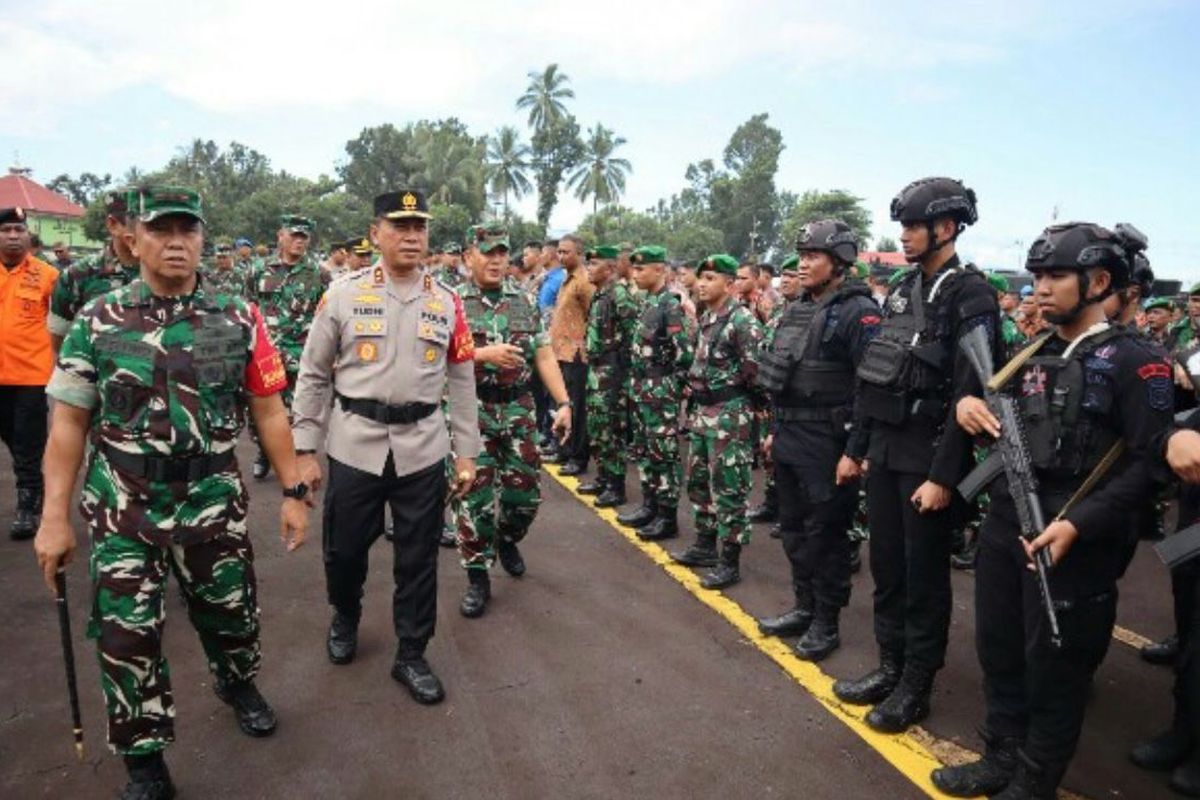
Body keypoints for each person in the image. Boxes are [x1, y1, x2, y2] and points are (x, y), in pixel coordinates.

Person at [33, 185, 309, 800]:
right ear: (135, 238)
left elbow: (268, 410)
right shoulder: (98, 320)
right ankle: (143, 756)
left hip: (212, 495)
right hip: (125, 502)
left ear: (203, 238)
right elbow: (69, 424)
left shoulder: (238, 316)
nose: (176, 242)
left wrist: (293, 489)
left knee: (231, 613)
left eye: (189, 230)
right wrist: (56, 517)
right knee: (125, 632)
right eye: (162, 230)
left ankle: (237, 681)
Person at [934, 222, 1171, 799]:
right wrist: (969, 405)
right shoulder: (1035, 349)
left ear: (1098, 281)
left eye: (1054, 276)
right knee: (1000, 651)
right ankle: (1000, 755)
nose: (1039, 288)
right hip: (1008, 521)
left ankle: (1035, 782)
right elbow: (1000, 411)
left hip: (1072, 535)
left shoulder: (1136, 361)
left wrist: (1079, 522)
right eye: (1036, 276)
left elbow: (1151, 465)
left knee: (1055, 672)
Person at [291, 189, 479, 705]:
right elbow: (311, 374)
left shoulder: (447, 301)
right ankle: (345, 614)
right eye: (400, 226)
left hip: (422, 446)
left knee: (418, 558)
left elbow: (461, 379)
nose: (412, 236)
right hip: (355, 442)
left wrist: (466, 451)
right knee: (345, 549)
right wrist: (304, 447)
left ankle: (412, 653)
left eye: (420, 227)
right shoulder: (343, 295)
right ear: (376, 234)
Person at [834, 177, 999, 734]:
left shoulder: (971, 293)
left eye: (913, 226)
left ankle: (916, 684)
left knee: (923, 575)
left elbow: (970, 392)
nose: (903, 236)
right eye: (902, 226)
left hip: (930, 456)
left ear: (946, 229)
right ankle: (890, 665)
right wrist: (856, 448)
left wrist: (944, 476)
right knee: (887, 567)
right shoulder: (903, 287)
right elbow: (875, 369)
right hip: (886, 448)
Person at [754, 221, 880, 660]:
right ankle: (804, 607)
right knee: (792, 530)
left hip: (829, 441)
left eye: (814, 256)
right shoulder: (798, 308)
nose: (804, 263)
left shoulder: (858, 311)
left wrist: (854, 452)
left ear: (839, 262)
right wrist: (775, 431)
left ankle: (827, 622)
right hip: (791, 434)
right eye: (802, 255)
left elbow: (871, 386)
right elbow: (783, 373)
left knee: (826, 536)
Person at [452, 225, 571, 618]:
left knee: (525, 496)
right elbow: (431, 359)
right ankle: (477, 576)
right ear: (470, 257)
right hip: (472, 412)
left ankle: (506, 539)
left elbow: (544, 355)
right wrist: (482, 355)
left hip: (518, 410)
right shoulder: (451, 303)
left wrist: (564, 402)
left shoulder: (523, 300)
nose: (496, 260)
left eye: (502, 253)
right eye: (488, 253)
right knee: (475, 500)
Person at [669, 253, 764, 588]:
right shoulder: (709, 317)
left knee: (729, 487)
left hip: (729, 414)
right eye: (702, 278)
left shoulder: (743, 322)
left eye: (711, 279)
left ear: (729, 283)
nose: (703, 284)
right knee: (697, 482)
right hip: (701, 413)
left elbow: (756, 373)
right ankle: (705, 545)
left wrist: (749, 410)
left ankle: (730, 560)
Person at [616, 246, 694, 536]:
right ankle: (649, 505)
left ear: (660, 270)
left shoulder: (670, 305)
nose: (635, 273)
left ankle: (667, 515)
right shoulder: (647, 302)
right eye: (634, 269)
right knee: (645, 451)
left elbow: (684, 354)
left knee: (664, 454)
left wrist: (671, 388)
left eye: (641, 269)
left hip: (660, 390)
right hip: (641, 388)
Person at [245, 215, 328, 479]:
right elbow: (247, 309)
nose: (299, 241)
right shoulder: (257, 270)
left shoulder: (319, 274)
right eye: (294, 235)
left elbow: (327, 316)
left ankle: (293, 458)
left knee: (299, 411)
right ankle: (263, 451)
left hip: (301, 355)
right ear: (280, 235)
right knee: (259, 411)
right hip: (265, 356)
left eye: (304, 237)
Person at [0, 207, 58, 539]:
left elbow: (64, 323)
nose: (12, 236)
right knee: (13, 438)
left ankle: (27, 505)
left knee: (27, 443)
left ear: (28, 235)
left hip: (31, 376)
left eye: (18, 230)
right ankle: (33, 486)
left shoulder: (47, 275)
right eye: (6, 229)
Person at [577, 245, 638, 509]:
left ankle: (616, 486)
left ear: (610, 268)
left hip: (612, 373)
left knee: (612, 431)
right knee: (598, 428)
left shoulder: (618, 295)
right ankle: (603, 477)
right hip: (597, 371)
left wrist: (621, 371)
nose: (589, 268)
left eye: (594, 264)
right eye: (588, 264)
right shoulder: (600, 294)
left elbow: (632, 332)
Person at [48, 190, 140, 355]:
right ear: (113, 225)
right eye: (140, 221)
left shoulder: (174, 273)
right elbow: (59, 341)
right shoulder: (78, 275)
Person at [549, 235, 595, 477]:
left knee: (577, 407)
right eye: (559, 251)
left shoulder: (584, 281)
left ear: (579, 253)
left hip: (576, 354)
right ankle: (564, 450)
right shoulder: (567, 279)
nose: (561, 256)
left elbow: (592, 315)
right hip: (561, 352)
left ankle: (578, 456)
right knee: (563, 405)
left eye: (566, 252)